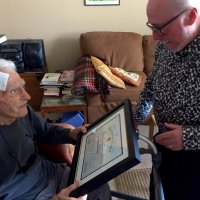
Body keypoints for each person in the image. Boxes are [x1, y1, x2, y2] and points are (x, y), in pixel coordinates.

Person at [0, 58, 111, 200]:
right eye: (14, 91)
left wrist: (71, 134)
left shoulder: (22, 111)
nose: (27, 96)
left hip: (48, 174)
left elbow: (45, 131)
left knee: (97, 187)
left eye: (23, 87)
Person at [133, 0, 200, 199]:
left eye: (161, 28)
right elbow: (151, 85)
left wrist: (189, 137)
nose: (154, 37)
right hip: (164, 147)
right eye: (152, 27)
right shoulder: (165, 44)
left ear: (191, 17)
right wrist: (136, 117)